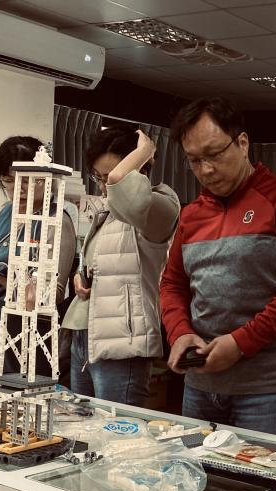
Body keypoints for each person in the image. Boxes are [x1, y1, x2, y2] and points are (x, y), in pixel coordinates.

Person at [160, 97, 276, 437]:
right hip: (201, 384)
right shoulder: (191, 215)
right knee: (194, 469)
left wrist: (240, 343)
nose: (206, 170)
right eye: (194, 160)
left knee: (262, 473)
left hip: (268, 388)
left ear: (243, 143)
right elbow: (172, 283)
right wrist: (180, 333)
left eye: (215, 154)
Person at [62, 127, 179, 406]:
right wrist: (80, 276)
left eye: (110, 176)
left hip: (123, 344)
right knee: (82, 425)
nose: (105, 186)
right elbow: (97, 263)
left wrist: (145, 150)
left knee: (117, 428)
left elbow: (125, 190)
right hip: (86, 335)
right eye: (98, 177)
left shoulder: (160, 205)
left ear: (142, 168)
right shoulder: (106, 213)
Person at [0, 136, 77, 376]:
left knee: (12, 387)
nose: (19, 188)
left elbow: (53, 292)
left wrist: (3, 282)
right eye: (9, 180)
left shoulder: (56, 222)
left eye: (28, 180)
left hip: (25, 331)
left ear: (45, 179)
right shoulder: (3, 213)